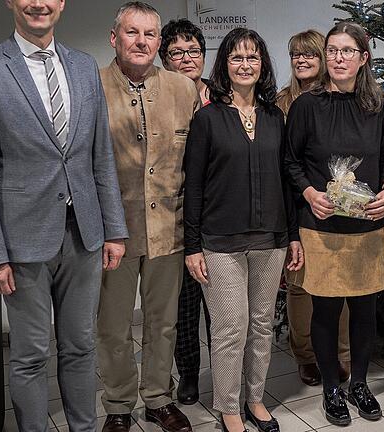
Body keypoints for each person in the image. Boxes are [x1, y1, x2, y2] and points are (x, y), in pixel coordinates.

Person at [0, 0, 128, 430]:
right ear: (11, 3)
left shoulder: (84, 66)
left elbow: (100, 158)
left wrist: (115, 230)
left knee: (80, 347)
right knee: (30, 354)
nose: (39, 3)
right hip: (21, 241)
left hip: (84, 235)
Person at [185, 27, 302, 432]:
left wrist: (293, 236)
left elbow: (287, 179)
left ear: (263, 65)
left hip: (271, 240)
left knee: (261, 325)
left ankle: (255, 399)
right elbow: (194, 187)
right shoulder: (207, 119)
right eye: (237, 58)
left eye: (253, 58)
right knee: (230, 328)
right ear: (225, 66)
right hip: (220, 243)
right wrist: (192, 246)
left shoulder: (275, 117)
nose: (245, 65)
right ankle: (229, 408)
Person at [285, 22, 384, 426]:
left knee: (365, 310)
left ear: (363, 57)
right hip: (323, 225)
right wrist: (310, 194)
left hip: (368, 223)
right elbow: (291, 162)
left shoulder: (376, 104)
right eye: (332, 50)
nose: (338, 58)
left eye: (348, 51)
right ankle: (332, 388)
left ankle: (360, 384)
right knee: (327, 312)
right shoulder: (307, 105)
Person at [96, 3, 200, 432]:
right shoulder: (93, 85)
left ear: (160, 41)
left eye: (150, 34)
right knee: (114, 326)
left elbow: (195, 161)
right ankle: (119, 405)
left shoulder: (182, 88)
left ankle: (158, 397)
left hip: (168, 230)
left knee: (163, 323)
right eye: (132, 32)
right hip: (113, 232)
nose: (142, 41)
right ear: (114, 37)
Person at [277, 29, 351, 387]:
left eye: (310, 54)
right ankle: (305, 357)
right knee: (300, 285)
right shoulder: (278, 104)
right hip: (294, 205)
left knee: (339, 284)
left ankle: (339, 354)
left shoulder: (337, 98)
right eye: (296, 55)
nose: (302, 61)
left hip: (335, 206)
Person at [159, 17, 211, 405]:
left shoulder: (223, 94)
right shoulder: (158, 99)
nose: (187, 58)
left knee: (224, 308)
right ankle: (189, 375)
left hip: (222, 214)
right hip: (178, 217)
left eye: (194, 51)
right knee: (185, 305)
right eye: (177, 52)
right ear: (165, 59)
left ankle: (230, 376)